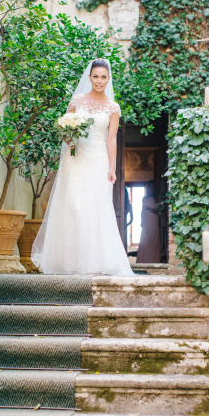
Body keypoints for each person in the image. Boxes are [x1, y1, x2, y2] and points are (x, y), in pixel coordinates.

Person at [31, 58, 133, 276]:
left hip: (98, 158)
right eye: (95, 76)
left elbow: (111, 139)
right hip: (76, 158)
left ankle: (96, 262)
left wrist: (112, 168)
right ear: (89, 77)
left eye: (103, 77)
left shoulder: (113, 107)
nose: (99, 81)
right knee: (74, 206)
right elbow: (65, 127)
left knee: (95, 206)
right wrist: (69, 140)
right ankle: (69, 262)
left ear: (108, 79)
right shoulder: (78, 100)